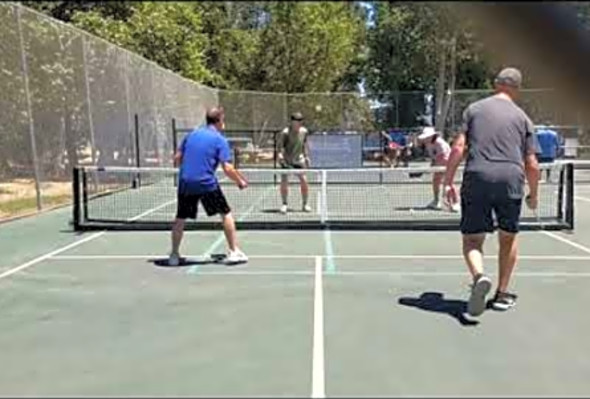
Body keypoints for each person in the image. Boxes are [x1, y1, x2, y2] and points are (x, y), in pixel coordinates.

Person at [443, 67, 540, 316]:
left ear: (496, 84)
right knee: (508, 237)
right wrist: (534, 194)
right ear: (517, 89)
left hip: (477, 176)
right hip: (511, 178)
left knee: (472, 239)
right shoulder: (523, 118)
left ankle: (479, 277)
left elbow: (458, 148)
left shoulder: (474, 110)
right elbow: (532, 164)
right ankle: (501, 294)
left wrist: (448, 181)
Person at [169, 107, 249, 266]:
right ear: (219, 121)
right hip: (206, 183)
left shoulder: (191, 135)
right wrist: (240, 181)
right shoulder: (220, 140)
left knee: (180, 217)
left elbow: (177, 159)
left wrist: (189, 169)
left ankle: (174, 255)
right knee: (225, 213)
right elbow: (228, 168)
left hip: (185, 182)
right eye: (223, 119)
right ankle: (234, 252)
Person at [417, 126, 459, 212]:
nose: (425, 139)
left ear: (431, 136)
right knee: (436, 181)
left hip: (448, 163)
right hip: (439, 165)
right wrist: (433, 165)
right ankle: (436, 201)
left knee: (449, 183)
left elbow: (444, 157)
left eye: (426, 137)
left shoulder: (440, 143)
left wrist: (435, 166)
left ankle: (456, 203)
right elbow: (434, 157)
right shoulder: (428, 144)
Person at [277, 112, 311, 214]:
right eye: (297, 121)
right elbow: (280, 146)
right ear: (292, 122)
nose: (299, 123)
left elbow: (304, 144)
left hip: (299, 160)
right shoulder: (285, 133)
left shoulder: (304, 131)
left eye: (301, 121)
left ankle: (305, 204)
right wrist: (280, 155)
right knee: (284, 182)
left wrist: (306, 156)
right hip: (287, 160)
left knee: (304, 180)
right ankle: (284, 204)